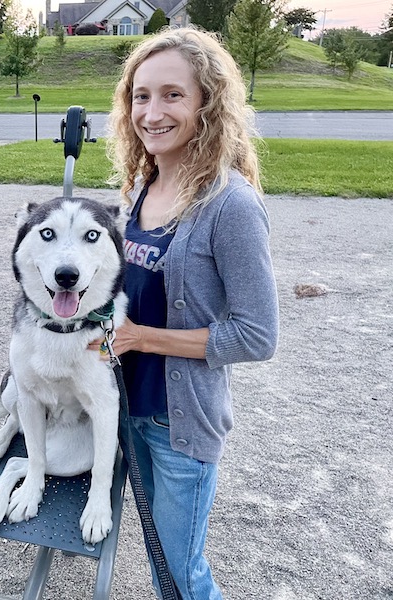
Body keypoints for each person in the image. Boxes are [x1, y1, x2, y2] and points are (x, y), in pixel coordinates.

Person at [92, 27, 279, 599]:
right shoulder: (140, 189)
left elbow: (257, 336)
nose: (152, 112)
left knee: (180, 571)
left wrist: (141, 338)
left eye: (173, 94)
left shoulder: (231, 205)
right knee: (156, 557)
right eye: (140, 96)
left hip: (178, 426)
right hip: (125, 408)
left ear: (208, 104)